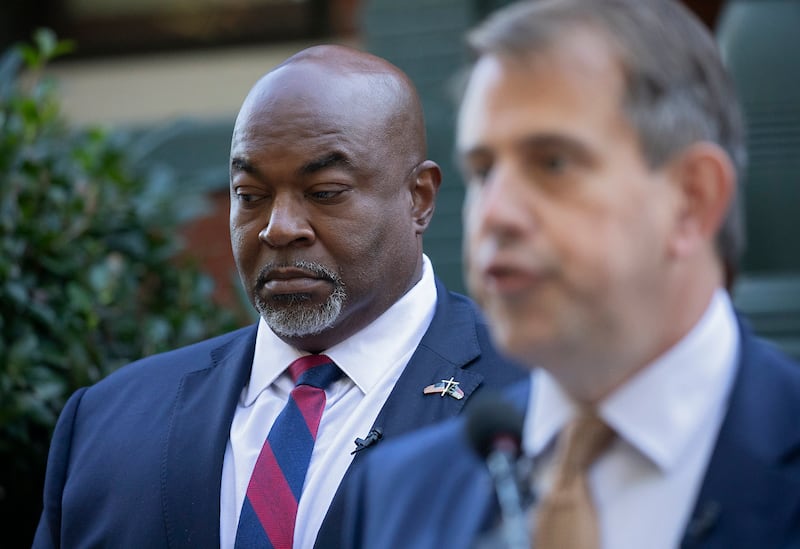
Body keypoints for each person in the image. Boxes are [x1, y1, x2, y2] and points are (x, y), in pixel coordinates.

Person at [343, 1, 800, 548]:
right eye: (484, 171)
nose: (495, 214)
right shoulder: (401, 494)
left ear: (692, 199)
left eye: (553, 163)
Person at [33, 45, 525, 549]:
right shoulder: (107, 422)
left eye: (325, 191)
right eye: (250, 195)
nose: (279, 228)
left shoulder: (540, 401)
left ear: (418, 198)